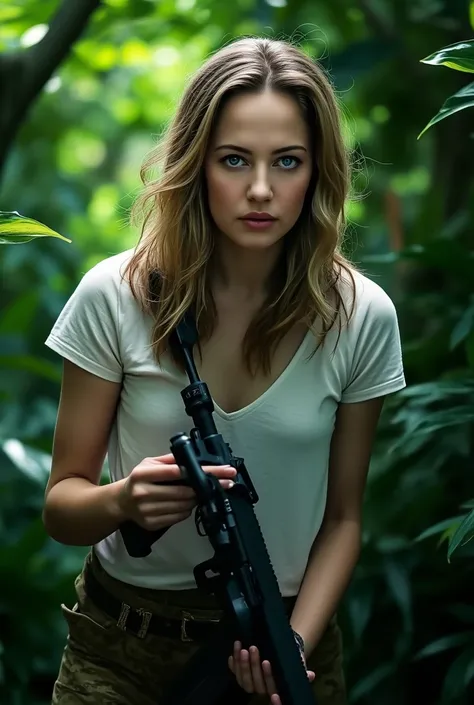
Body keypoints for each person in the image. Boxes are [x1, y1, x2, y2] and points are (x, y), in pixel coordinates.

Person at [42, 36, 405, 705]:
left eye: (287, 161)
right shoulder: (115, 295)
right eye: (234, 159)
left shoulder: (360, 315)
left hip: (284, 641)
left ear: (317, 170)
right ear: (196, 164)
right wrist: (124, 499)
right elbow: (62, 506)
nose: (261, 189)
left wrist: (291, 642)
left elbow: (345, 518)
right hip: (122, 652)